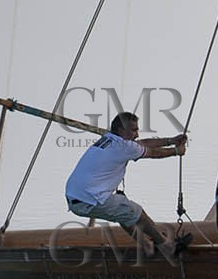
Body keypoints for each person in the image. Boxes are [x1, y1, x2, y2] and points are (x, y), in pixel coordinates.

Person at [64, 111, 191, 262]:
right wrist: (176, 151)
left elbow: (141, 144)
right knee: (138, 213)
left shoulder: (108, 140)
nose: (137, 134)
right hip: (90, 199)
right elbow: (153, 153)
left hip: (76, 197)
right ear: (121, 130)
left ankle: (146, 245)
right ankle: (168, 247)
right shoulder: (123, 147)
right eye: (133, 130)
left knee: (122, 207)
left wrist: (170, 140)